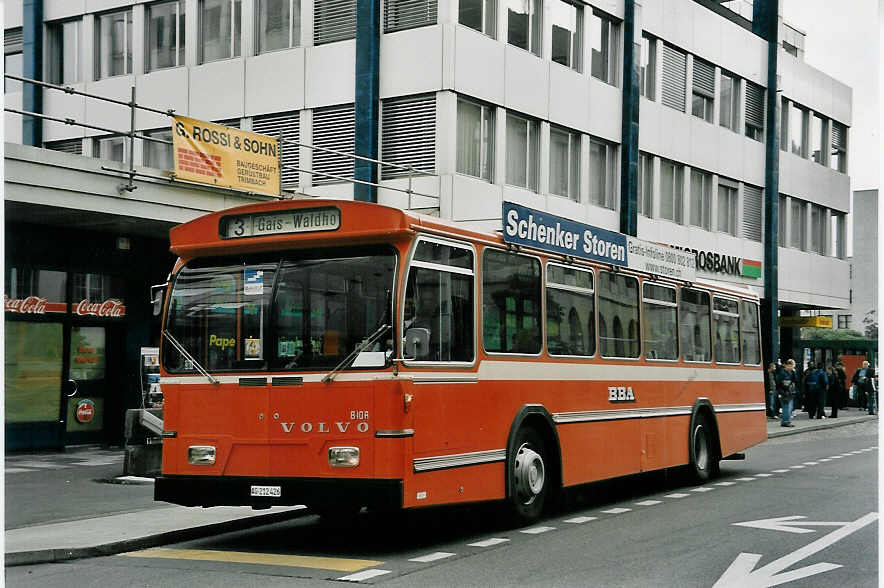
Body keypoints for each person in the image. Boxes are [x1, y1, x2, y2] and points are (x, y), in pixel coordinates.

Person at [777, 359, 799, 427]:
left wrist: (794, 372)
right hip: (784, 392)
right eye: (789, 366)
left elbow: (796, 380)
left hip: (790, 392)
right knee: (786, 407)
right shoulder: (782, 373)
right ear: (785, 366)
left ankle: (785, 421)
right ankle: (786, 422)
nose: (790, 367)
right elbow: (778, 382)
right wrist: (781, 391)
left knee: (790, 407)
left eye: (792, 366)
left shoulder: (791, 372)